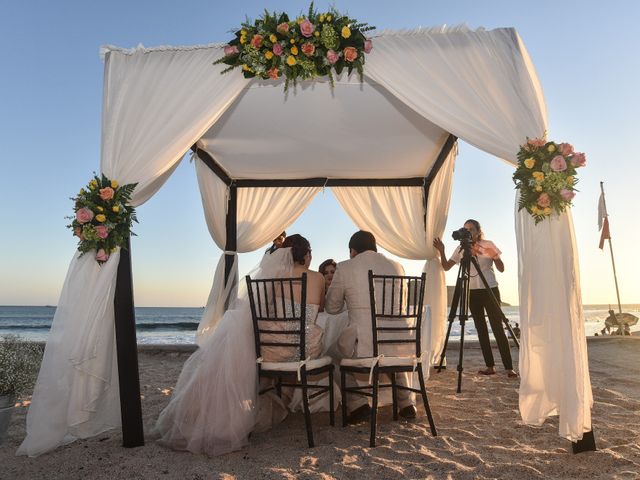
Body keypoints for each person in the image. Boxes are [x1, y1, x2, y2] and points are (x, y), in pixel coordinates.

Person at [155, 235, 324, 456]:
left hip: (273, 348)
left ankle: (220, 412)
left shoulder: (273, 278)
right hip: (305, 349)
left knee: (241, 340)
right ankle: (283, 399)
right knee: (319, 337)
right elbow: (319, 310)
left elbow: (264, 310)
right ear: (307, 254)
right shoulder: (319, 278)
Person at [325, 230, 417, 422]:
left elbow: (332, 308)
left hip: (365, 346)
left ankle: (358, 404)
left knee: (331, 356)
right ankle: (407, 403)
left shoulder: (345, 267)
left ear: (353, 250)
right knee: (389, 353)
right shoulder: (397, 266)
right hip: (398, 341)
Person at [433, 219, 518, 379]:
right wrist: (442, 251)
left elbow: (501, 268)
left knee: (497, 327)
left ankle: (509, 368)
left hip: (490, 289)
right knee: (481, 329)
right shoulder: (461, 248)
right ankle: (490, 366)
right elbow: (446, 266)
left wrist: (496, 257)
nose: (468, 232)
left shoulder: (488, 244)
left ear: (478, 231)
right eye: (465, 229)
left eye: (471, 229)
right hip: (472, 292)